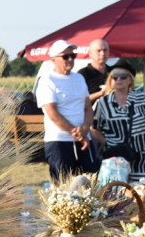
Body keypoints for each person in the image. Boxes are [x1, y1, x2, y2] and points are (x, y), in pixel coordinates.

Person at [36, 40, 100, 180]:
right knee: (63, 186)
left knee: (90, 183)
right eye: (65, 56)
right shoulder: (47, 80)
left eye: (72, 55)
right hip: (59, 140)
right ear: (53, 59)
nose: (70, 59)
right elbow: (52, 113)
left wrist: (85, 128)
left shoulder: (79, 78)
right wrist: (76, 133)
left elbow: (88, 108)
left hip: (83, 138)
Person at [91, 60, 145, 181]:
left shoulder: (142, 98)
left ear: (130, 80)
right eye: (114, 77)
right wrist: (108, 143)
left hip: (141, 156)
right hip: (115, 158)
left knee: (143, 193)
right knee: (117, 192)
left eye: (123, 76)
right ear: (110, 80)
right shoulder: (103, 103)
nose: (118, 80)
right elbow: (94, 129)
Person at [77, 39, 110, 103]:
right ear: (90, 53)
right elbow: (78, 101)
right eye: (99, 51)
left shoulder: (114, 72)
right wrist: (100, 93)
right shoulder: (82, 74)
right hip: (91, 112)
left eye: (105, 50)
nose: (102, 53)